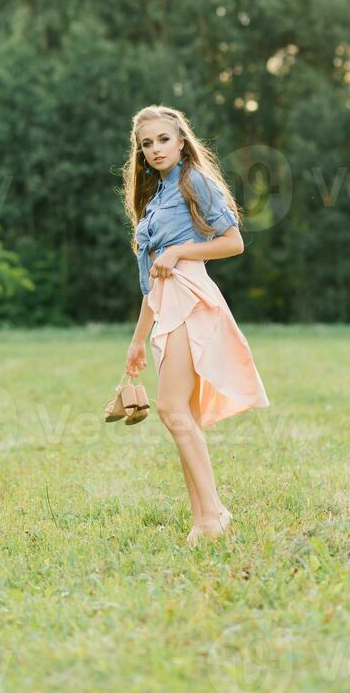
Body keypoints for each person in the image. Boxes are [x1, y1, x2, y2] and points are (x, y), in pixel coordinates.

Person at [121, 105, 270, 546]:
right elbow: (151, 277)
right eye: (147, 144)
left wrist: (181, 250)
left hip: (191, 299)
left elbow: (233, 242)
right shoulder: (151, 201)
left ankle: (215, 515)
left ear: (181, 141)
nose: (155, 149)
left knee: (171, 410)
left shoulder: (194, 183)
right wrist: (137, 340)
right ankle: (203, 517)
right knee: (182, 414)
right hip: (165, 305)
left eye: (163, 139)